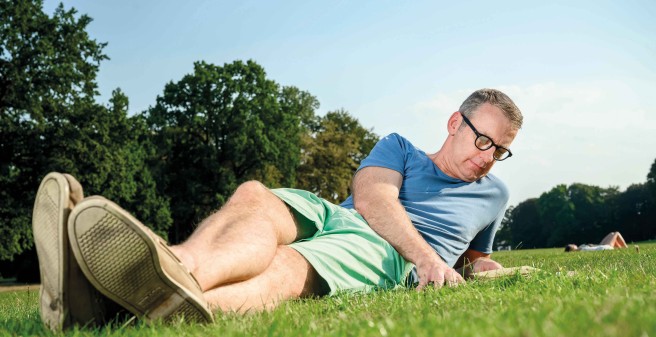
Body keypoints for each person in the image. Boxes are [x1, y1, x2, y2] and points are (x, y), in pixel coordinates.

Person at [31, 88, 523, 330]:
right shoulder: (400, 147)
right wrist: (428, 257)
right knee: (254, 196)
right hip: (346, 214)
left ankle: (108, 310)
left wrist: (485, 267)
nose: (486, 156)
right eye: (481, 138)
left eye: (498, 150)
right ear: (454, 121)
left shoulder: (493, 195)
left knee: (290, 267)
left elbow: (473, 257)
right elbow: (373, 197)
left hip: (383, 253)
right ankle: (175, 266)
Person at [564, 232, 628, 252]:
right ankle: (626, 248)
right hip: (604, 247)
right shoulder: (579, 250)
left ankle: (621, 249)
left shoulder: (580, 247)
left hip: (600, 246)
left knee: (611, 234)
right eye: (572, 245)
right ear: (571, 249)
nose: (573, 244)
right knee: (616, 233)